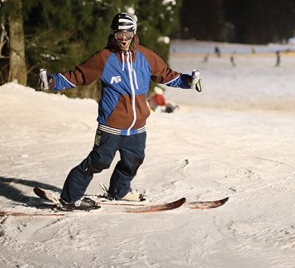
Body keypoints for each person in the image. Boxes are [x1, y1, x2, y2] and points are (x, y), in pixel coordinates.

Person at [38, 12, 202, 210]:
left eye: (127, 36)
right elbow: (78, 76)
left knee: (134, 161)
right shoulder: (104, 58)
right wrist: (52, 82)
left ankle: (119, 190)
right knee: (97, 162)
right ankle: (69, 199)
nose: (123, 40)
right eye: (119, 36)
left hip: (137, 127)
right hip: (111, 126)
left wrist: (188, 81)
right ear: (113, 35)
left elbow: (166, 75)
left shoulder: (146, 56)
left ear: (134, 33)